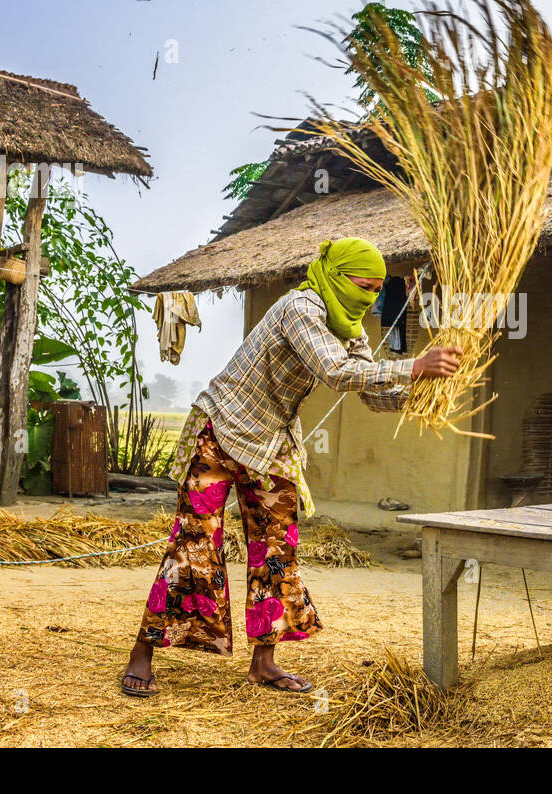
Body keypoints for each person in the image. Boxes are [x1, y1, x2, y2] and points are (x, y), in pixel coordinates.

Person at [121, 237, 462, 696]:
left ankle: (264, 664)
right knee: (194, 544)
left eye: (374, 292)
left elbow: (370, 391)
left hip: (273, 444)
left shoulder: (352, 331)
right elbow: (335, 372)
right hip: (222, 430)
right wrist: (413, 366)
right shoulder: (298, 308)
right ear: (336, 277)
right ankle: (144, 650)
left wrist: (423, 396)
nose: (366, 299)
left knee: (277, 552)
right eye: (361, 286)